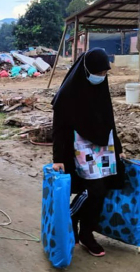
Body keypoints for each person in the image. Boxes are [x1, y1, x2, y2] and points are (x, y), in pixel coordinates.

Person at [52, 48, 126, 257]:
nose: (101, 77)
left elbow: (109, 120)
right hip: (80, 146)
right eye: (98, 73)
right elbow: (58, 126)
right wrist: (58, 158)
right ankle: (71, 217)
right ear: (86, 69)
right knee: (95, 189)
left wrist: (118, 149)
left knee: (105, 187)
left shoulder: (101, 87)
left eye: (105, 74)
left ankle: (86, 232)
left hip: (103, 146)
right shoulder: (68, 93)